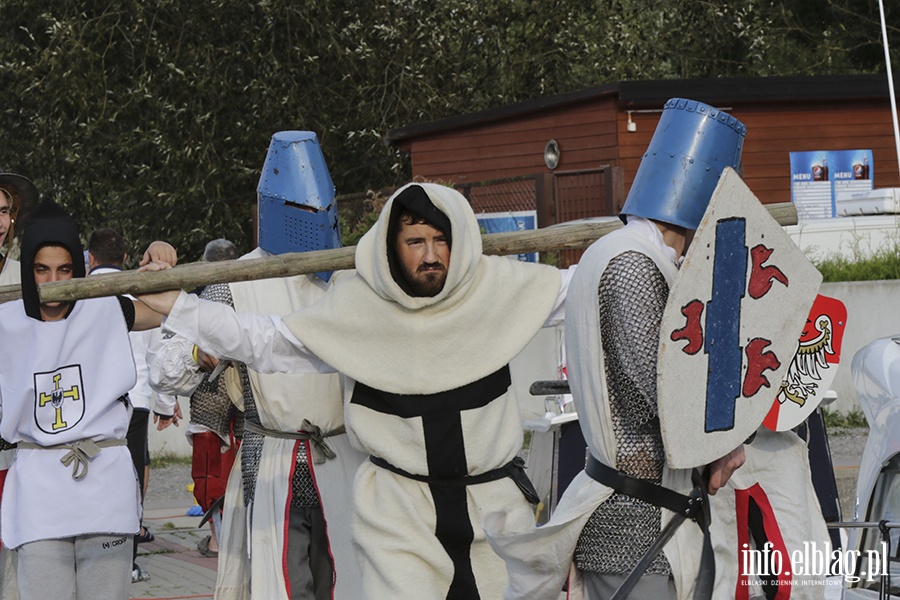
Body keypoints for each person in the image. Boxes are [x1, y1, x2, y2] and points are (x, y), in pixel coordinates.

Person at [139, 179, 573, 599]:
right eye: (415, 242)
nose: (430, 255)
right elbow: (266, 340)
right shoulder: (360, 309)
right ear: (392, 246)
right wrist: (180, 305)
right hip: (398, 510)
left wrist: (637, 238)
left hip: (492, 504)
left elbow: (582, 286)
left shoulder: (497, 290)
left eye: (441, 240)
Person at [483, 98, 748, 600]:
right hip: (636, 520)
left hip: (647, 512)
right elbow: (668, 397)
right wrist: (726, 442)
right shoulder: (633, 264)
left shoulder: (620, 254)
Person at [148, 132, 366, 600]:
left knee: (351, 581)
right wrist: (200, 354)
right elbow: (164, 367)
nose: (318, 221)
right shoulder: (236, 282)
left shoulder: (352, 274)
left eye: (324, 210)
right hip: (271, 459)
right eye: (306, 212)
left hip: (347, 455)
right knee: (278, 585)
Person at [0, 198, 175, 600]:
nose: (53, 283)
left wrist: (157, 262)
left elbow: (165, 307)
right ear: (26, 270)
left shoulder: (105, 308)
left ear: (79, 267)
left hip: (103, 488)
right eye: (41, 270)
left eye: (64, 270)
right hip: (39, 492)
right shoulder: (6, 321)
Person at [87, 227, 178, 583]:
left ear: (89, 257)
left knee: (94, 478)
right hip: (137, 397)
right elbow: (161, 346)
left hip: (93, 402)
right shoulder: (140, 290)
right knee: (132, 479)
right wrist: (166, 403)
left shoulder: (76, 292)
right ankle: (128, 561)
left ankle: (94, 556)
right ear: (125, 257)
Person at [156, 237, 240, 560]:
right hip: (228, 411)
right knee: (219, 480)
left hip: (213, 411)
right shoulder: (245, 298)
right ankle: (225, 541)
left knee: (213, 480)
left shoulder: (199, 305)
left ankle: (219, 541)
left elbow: (164, 370)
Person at [0, 171, 35, 600]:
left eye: (5, 211)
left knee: (12, 549)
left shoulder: (23, 274)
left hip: (12, 435)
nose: (0, 221)